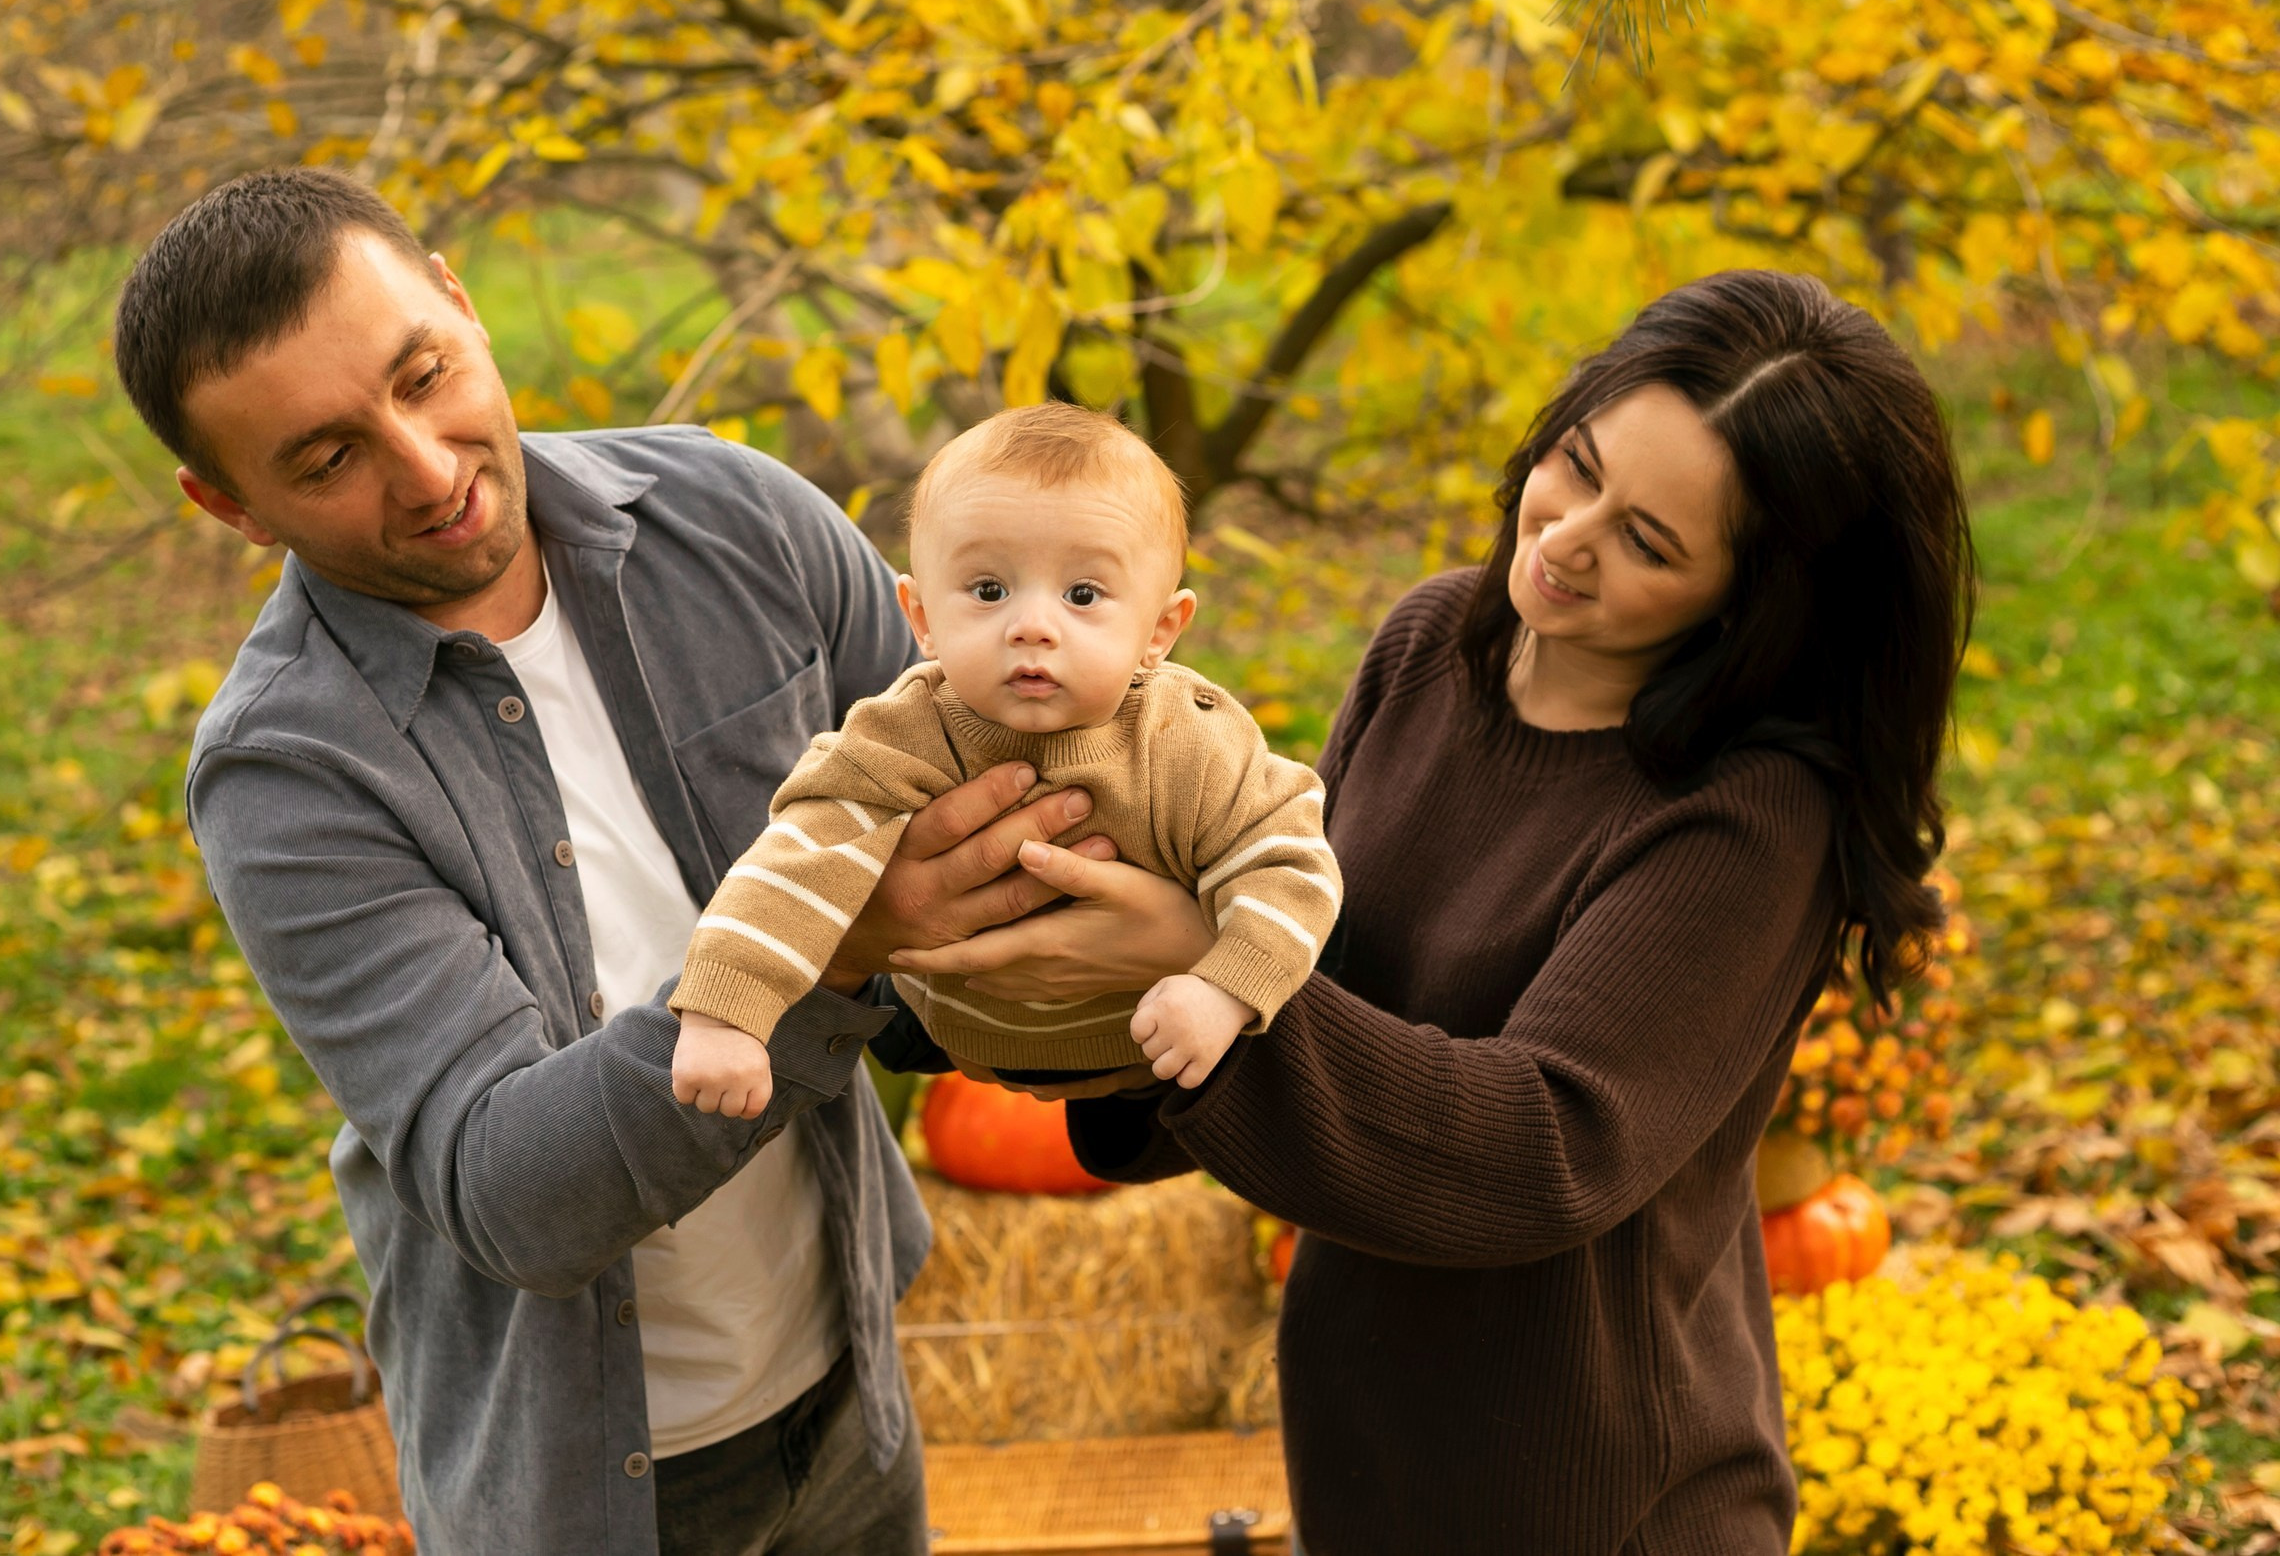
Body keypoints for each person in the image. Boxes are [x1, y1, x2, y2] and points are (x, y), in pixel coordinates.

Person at [108, 167, 1121, 1556]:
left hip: (852, 1388)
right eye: (325, 457)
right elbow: (512, 1188)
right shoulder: (289, 772)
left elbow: (993, 828)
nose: (427, 469)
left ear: (460, 300)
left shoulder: (742, 523)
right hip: (587, 1485)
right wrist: (836, 950)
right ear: (230, 504)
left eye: (425, 373)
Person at [889, 270, 1975, 1553]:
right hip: (1364, 1439)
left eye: (1649, 542)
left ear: (1751, 599)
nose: (1566, 536)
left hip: (1601, 1492)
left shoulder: (1747, 814)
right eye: (1576, 467)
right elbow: (1324, 969)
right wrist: (1018, 976)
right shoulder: (1433, 647)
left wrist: (1201, 968)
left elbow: (1542, 1147)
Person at [664, 402, 1341, 1116]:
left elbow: (1291, 864)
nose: (1032, 627)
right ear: (922, 618)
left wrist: (1224, 987)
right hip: (961, 1047)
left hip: (1155, 1057)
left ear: (1160, 630)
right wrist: (723, 1011)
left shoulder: (1189, 741)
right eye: (989, 590)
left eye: (1083, 594)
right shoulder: (904, 733)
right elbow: (796, 858)